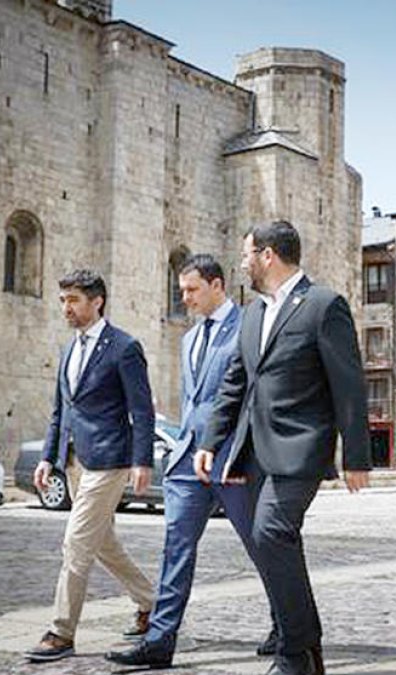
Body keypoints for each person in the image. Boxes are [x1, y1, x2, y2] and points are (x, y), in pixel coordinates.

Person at [198, 220, 371, 675]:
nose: (242, 262)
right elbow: (236, 381)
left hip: (301, 447)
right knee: (269, 541)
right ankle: (307, 651)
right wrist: (211, 440)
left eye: (246, 254)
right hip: (254, 450)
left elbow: (349, 383)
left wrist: (356, 455)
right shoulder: (251, 313)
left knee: (271, 533)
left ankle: (295, 654)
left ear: (268, 255)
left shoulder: (323, 305)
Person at [105, 255, 275, 668]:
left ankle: (286, 623)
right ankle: (160, 642)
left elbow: (253, 396)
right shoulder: (188, 339)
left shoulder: (249, 328)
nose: (185, 299)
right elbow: (194, 400)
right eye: (181, 291)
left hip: (233, 459)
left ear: (217, 285)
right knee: (175, 548)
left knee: (263, 546)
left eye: (192, 290)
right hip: (186, 462)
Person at [26, 270, 157, 663]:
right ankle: (152, 604)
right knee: (104, 544)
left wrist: (142, 459)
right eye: (63, 300)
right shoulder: (69, 350)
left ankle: (61, 632)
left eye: (73, 300)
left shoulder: (124, 347)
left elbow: (141, 409)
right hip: (76, 462)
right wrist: (49, 457)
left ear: (97, 301)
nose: (66, 307)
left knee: (76, 543)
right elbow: (59, 411)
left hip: (110, 461)